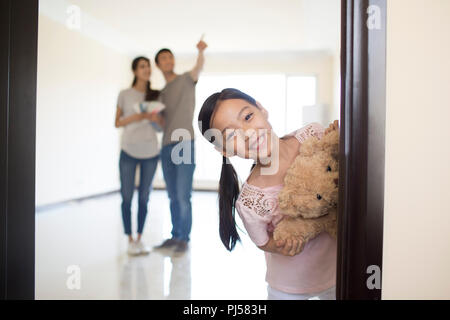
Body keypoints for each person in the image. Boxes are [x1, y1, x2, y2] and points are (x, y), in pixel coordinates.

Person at [197, 88, 338, 300]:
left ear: (262, 109)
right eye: (231, 134)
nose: (247, 133)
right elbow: (262, 241)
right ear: (224, 150)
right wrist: (282, 246)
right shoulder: (250, 201)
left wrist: (341, 141)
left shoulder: (313, 137)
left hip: (339, 270)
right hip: (289, 287)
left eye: (248, 117)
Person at [153, 38, 208, 253]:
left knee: (184, 195)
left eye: (169, 57)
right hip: (166, 146)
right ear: (158, 65)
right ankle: (174, 236)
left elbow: (199, 68)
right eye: (163, 59)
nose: (167, 61)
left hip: (184, 142)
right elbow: (160, 126)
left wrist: (201, 51)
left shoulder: (186, 79)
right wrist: (153, 117)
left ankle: (184, 239)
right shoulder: (161, 94)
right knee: (172, 195)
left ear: (173, 61)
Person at [115, 56, 165, 256]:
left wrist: (154, 119)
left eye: (148, 66)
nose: (147, 69)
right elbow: (117, 122)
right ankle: (129, 239)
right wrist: (136, 117)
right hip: (128, 150)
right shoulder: (124, 94)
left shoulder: (156, 95)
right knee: (126, 197)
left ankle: (139, 238)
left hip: (151, 152)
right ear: (135, 71)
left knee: (144, 197)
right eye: (142, 66)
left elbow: (161, 127)